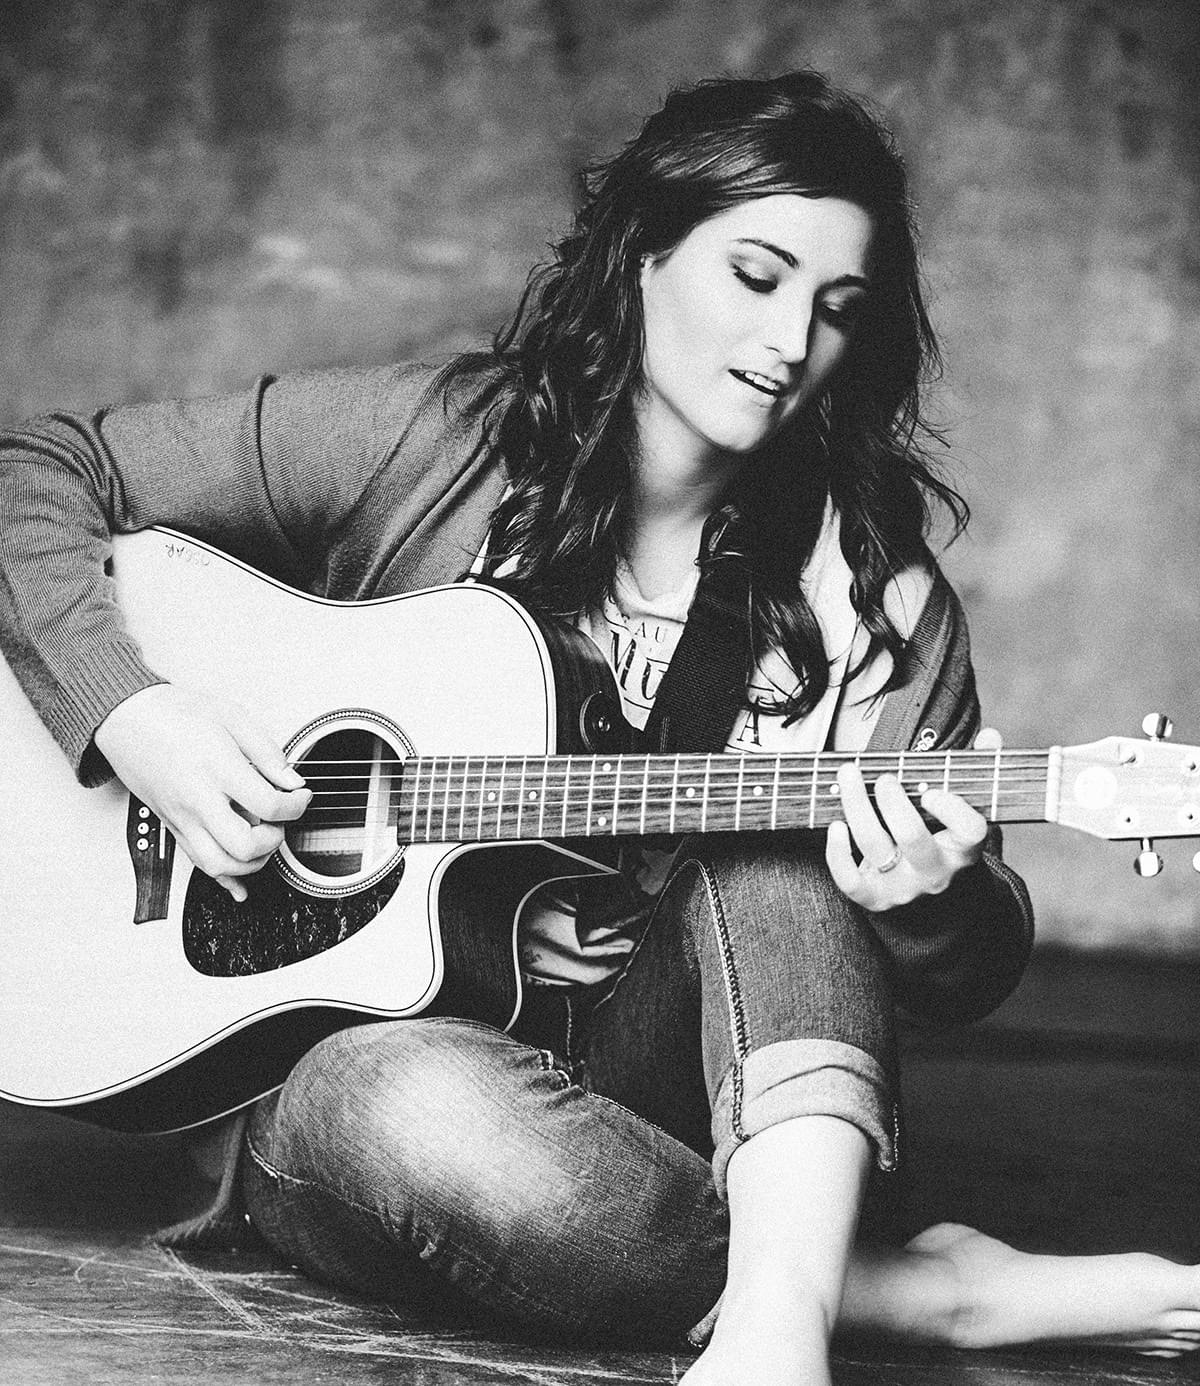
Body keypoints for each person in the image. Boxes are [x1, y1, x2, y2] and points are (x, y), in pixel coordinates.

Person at [1, 70, 1198, 1386]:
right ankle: (914, 1290)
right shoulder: (435, 441)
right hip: (359, 1076)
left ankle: (776, 1335)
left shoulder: (872, 598)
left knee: (780, 841)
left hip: (667, 1080)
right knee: (405, 1105)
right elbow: (32, 474)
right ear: (643, 256)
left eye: (837, 309)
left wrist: (929, 895)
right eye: (756, 275)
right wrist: (136, 713)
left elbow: (967, 966)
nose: (791, 338)